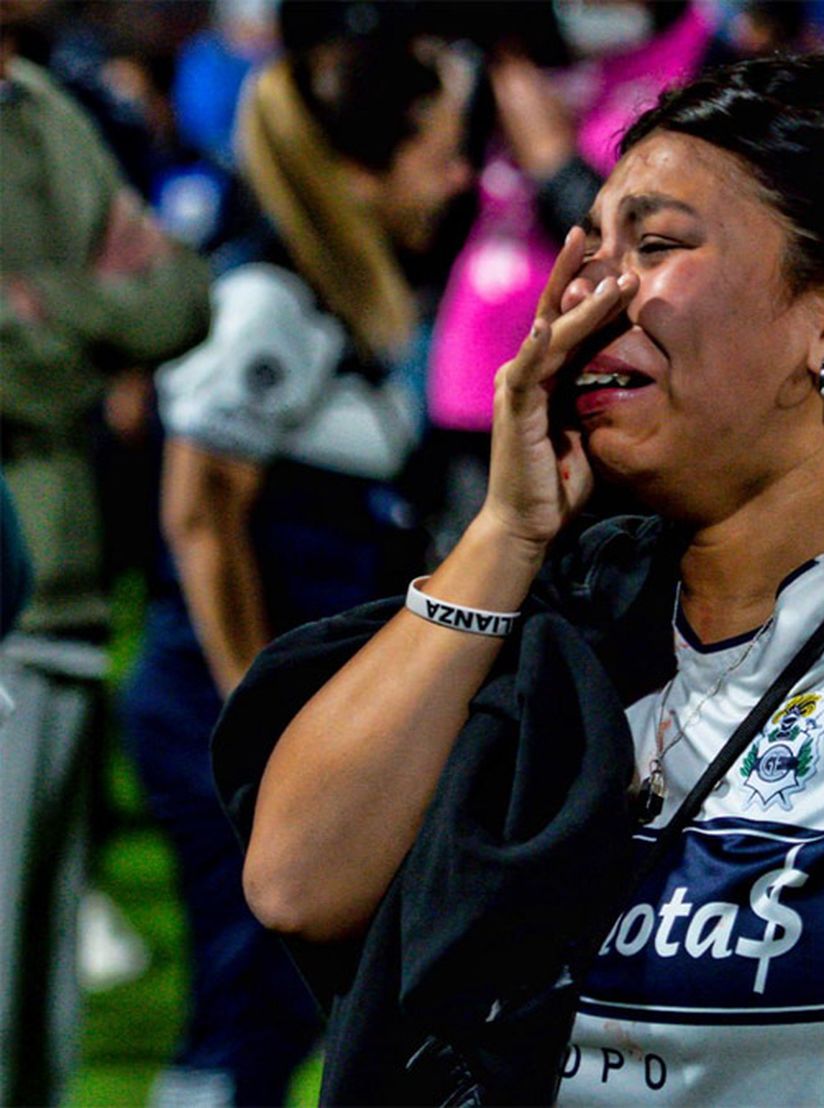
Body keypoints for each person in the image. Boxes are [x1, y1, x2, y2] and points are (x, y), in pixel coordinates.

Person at [216, 53, 824, 1106]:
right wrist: (506, 529)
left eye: (658, 243)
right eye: (589, 252)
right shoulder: (563, 635)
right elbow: (296, 882)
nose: (594, 296)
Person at [119, 5, 472, 1104]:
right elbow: (197, 517)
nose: (460, 178)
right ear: (363, 173)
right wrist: (254, 725)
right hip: (217, 709)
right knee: (248, 998)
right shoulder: (263, 299)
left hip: (297, 711)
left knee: (298, 1003)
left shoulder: (341, 295)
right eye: (441, 153)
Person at [0, 37, 211, 1104]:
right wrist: (91, 318)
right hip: (16, 593)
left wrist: (48, 309)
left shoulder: (38, 102)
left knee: (40, 1011)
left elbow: (178, 297)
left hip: (63, 582)